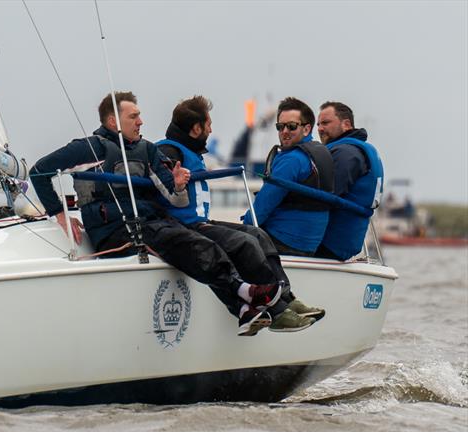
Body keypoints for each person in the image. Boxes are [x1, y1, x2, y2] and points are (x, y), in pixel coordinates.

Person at [30, 91, 291, 336]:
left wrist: (177, 184)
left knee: (204, 242)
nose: (141, 121)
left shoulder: (146, 150)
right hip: (115, 231)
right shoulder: (88, 148)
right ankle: (244, 293)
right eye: (133, 117)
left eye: (139, 115)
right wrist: (59, 214)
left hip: (149, 223)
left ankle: (245, 308)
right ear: (113, 121)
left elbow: (173, 198)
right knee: (190, 243)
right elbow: (39, 171)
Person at [155, 95, 323, 329]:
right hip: (185, 227)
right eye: (209, 124)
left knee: (257, 234)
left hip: (201, 222)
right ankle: (277, 312)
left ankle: (286, 297)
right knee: (244, 244)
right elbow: (159, 188)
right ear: (196, 128)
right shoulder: (169, 151)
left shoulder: (190, 150)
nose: (212, 129)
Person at [242, 97, 334, 256]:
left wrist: (246, 223)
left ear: (306, 129)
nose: (284, 132)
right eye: (280, 127)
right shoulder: (321, 152)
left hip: (283, 242)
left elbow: (261, 210)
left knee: (218, 235)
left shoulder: (292, 160)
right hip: (310, 244)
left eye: (291, 127)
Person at [316, 101, 384, 260]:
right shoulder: (358, 149)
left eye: (325, 123)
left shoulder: (346, 153)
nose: (319, 128)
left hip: (330, 243)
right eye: (318, 124)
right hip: (347, 241)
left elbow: (326, 195)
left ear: (346, 124)